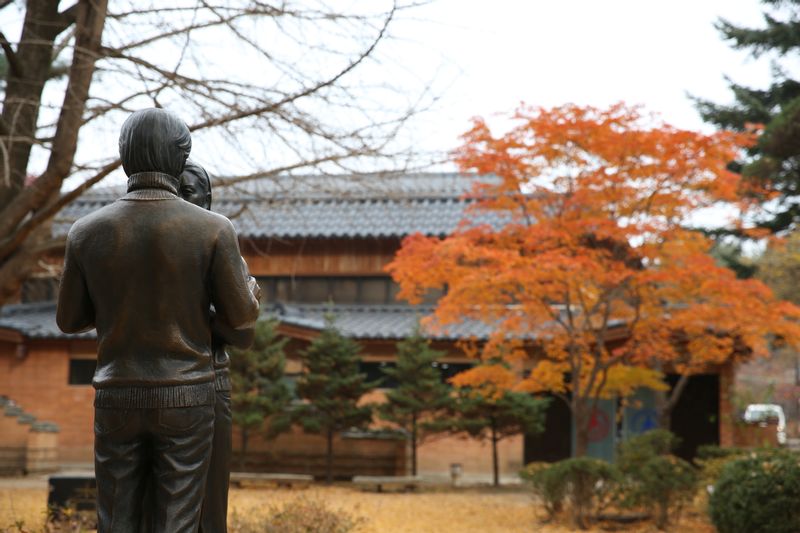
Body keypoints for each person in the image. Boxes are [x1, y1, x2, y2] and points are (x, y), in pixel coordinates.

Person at [57, 108, 260, 533]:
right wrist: (250, 290)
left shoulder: (86, 231)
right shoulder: (212, 229)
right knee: (177, 519)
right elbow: (241, 318)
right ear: (180, 153)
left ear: (124, 154)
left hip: (116, 392)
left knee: (116, 518)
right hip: (187, 394)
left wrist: (118, 303)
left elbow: (70, 319)